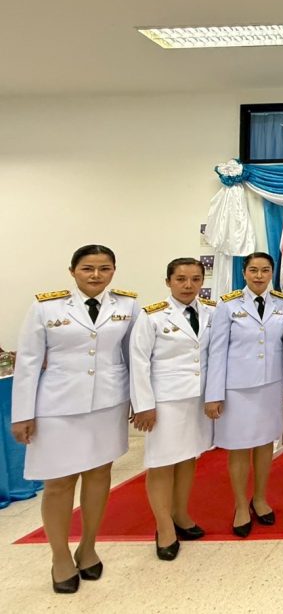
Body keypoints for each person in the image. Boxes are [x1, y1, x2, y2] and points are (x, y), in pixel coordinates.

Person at [11, 245, 138, 593]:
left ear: (113, 271)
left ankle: (88, 546)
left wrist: (138, 401)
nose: (96, 275)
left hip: (107, 404)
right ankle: (60, 556)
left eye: (104, 268)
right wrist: (22, 414)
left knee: (99, 476)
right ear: (72, 271)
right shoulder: (45, 307)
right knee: (59, 483)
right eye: (87, 268)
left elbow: (134, 357)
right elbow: (28, 363)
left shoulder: (127, 306)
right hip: (58, 407)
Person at [130, 258, 214, 561]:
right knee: (162, 463)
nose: (188, 285)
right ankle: (163, 527)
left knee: (188, 457)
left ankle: (180, 514)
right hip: (164, 401)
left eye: (195, 279)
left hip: (197, 398)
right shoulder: (152, 316)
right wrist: (143, 406)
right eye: (180, 279)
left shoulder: (211, 312)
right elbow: (139, 362)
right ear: (168, 281)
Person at [205, 252, 283, 536]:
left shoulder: (282, 303)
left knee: (266, 444)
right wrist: (214, 394)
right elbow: (217, 351)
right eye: (253, 270)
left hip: (271, 385)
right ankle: (241, 505)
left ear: (272, 273)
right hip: (238, 389)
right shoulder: (228, 305)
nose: (259, 276)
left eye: (265, 270)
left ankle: (260, 498)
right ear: (244, 273)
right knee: (240, 447)